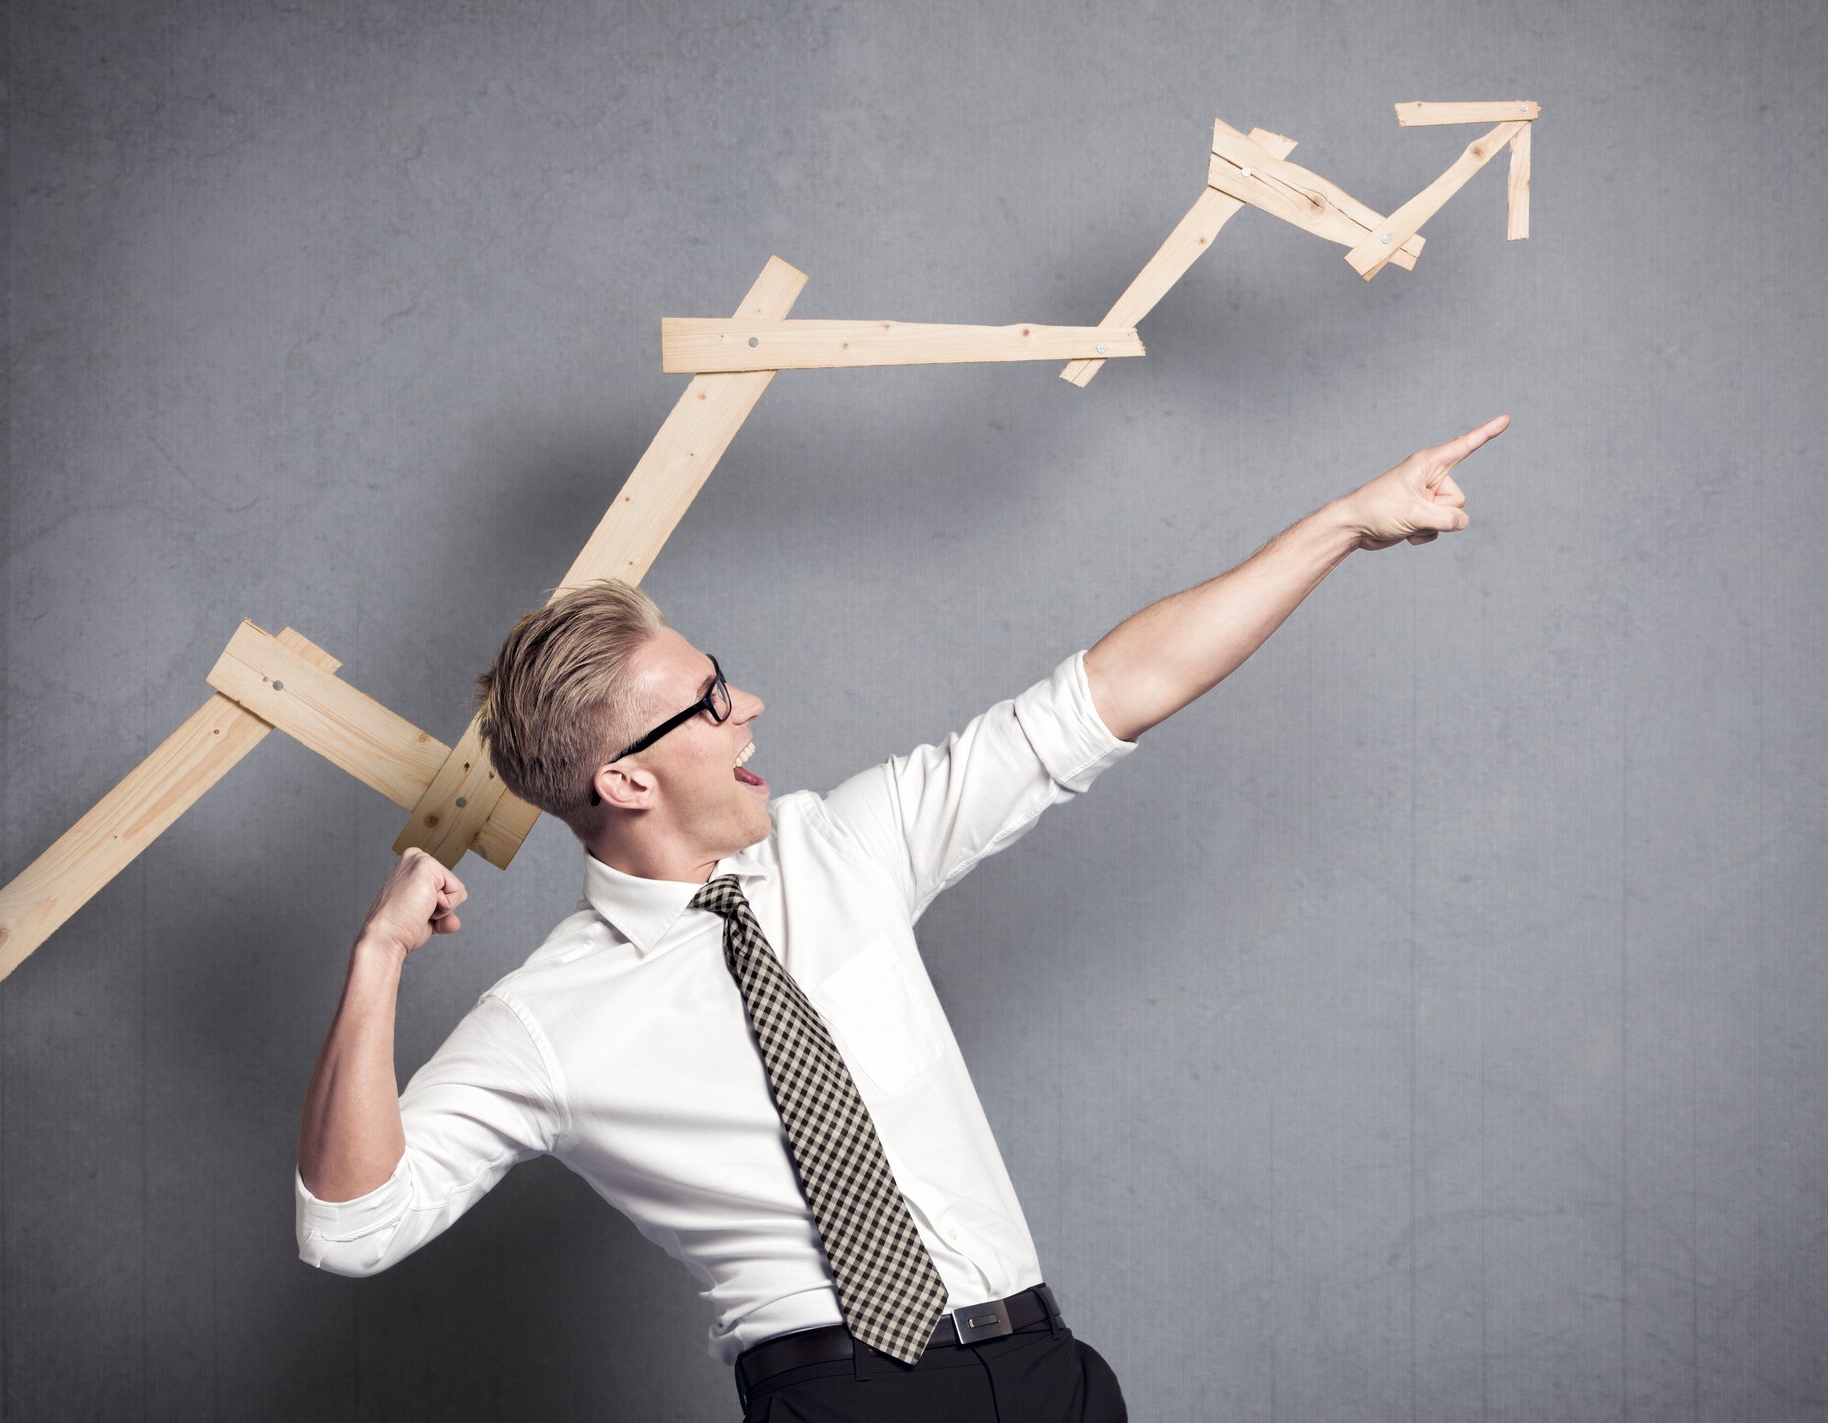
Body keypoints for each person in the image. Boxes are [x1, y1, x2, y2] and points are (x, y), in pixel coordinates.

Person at [293, 413, 1511, 1421]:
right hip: (842, 1395)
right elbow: (352, 1229)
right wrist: (377, 957)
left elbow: (1110, 693)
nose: (751, 703)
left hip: (1044, 1373)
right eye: (713, 701)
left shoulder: (846, 845)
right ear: (625, 780)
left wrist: (1345, 523)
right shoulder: (549, 1018)